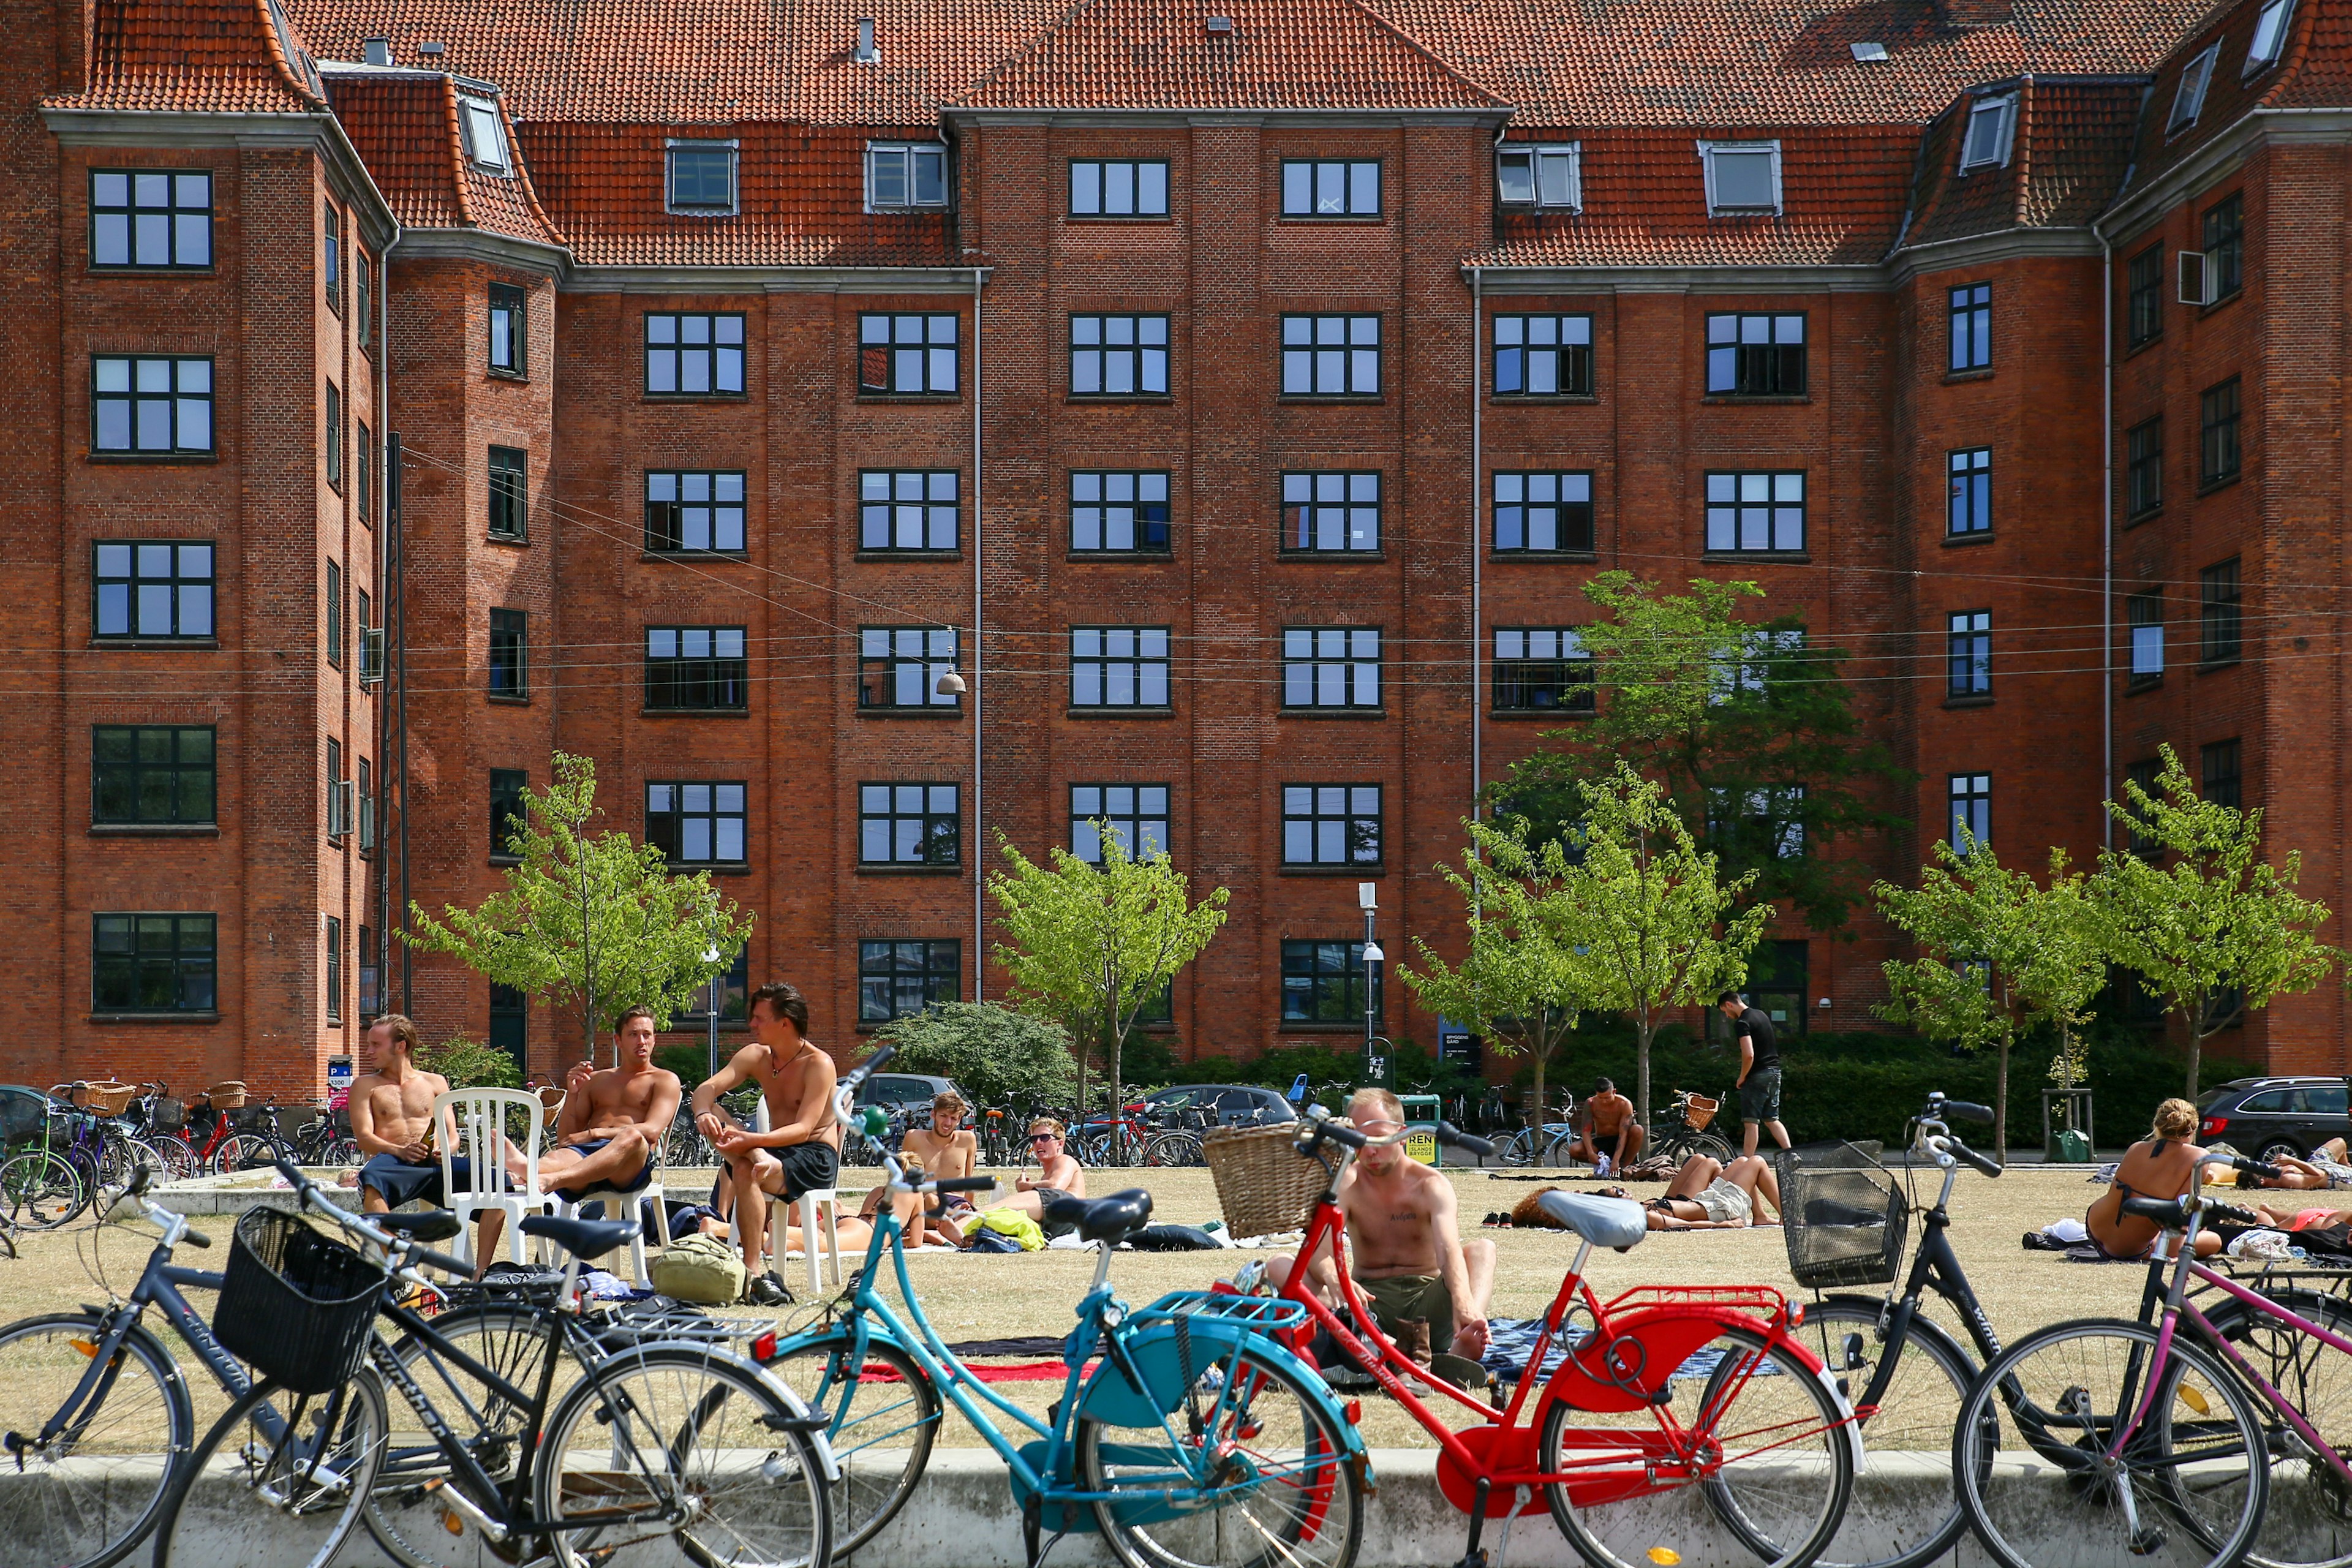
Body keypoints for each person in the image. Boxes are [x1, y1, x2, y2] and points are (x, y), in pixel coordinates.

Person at [1267, 1088, 1495, 1373]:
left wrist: (1463, 1302)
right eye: (1360, 1140)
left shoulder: (1430, 1185)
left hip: (1427, 1308)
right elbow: (1318, 1248)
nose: (1370, 1150)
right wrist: (1337, 1280)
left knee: (1483, 1250)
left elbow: (1448, 1252)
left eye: (1379, 1138)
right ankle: (1394, 1350)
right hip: (1365, 1311)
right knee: (1279, 1265)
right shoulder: (1346, 1182)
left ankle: (1464, 1338)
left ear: (1402, 1134)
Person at [689, 981, 842, 1305]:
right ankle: (752, 1273)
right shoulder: (756, 1056)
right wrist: (703, 1113)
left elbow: (803, 1129)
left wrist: (751, 1139)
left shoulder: (818, 1064)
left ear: (784, 1022)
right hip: (769, 1151)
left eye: (760, 1018)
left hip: (813, 1156)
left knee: (747, 1166)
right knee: (739, 1154)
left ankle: (751, 1270)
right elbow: (705, 1089)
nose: (752, 1024)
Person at [521, 1006, 680, 1256]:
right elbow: (566, 1138)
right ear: (618, 1040)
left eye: (647, 1034)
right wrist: (573, 1094)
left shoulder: (663, 1079)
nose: (642, 1041)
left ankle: (553, 1180)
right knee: (557, 1157)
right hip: (589, 1159)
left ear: (654, 1039)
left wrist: (594, 1134)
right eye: (633, 1034)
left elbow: (651, 1130)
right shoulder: (597, 1080)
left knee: (632, 1135)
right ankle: (519, 1171)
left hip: (630, 1163)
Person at [2086, 1099, 2225, 1260]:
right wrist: (2174, 1255)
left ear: (2156, 1125)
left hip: (2095, 1228)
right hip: (2131, 1249)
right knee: (2214, 1240)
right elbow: (2182, 1214)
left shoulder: (2136, 1148)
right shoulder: (2199, 1158)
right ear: (2193, 1129)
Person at [350, 1014, 455, 1213]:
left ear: (400, 1047)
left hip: (434, 1164)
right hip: (391, 1162)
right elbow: (364, 1139)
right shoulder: (364, 1086)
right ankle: (390, 1245)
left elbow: (453, 1134)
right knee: (370, 1181)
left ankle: (485, 1247)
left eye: (375, 1045)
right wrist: (400, 1151)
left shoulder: (435, 1082)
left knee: (497, 1181)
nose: (368, 1052)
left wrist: (446, 1150)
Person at [966, 1117, 1085, 1238]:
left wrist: (1026, 1186)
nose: (1038, 1143)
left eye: (1045, 1138)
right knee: (1002, 1218)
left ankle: (968, 1222)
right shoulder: (1047, 1175)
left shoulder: (1065, 1160)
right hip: (1058, 1223)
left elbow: (1055, 1187)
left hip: (1070, 1219)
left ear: (1060, 1144)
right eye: (1034, 1139)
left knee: (994, 1210)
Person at [1618, 1152, 1783, 1229]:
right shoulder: (1644, 1216)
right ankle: (1787, 1218)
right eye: (1618, 1192)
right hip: (1720, 1210)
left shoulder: (1642, 1207)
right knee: (1758, 1162)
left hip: (1706, 1202)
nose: (1622, 1189)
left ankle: (1760, 1216)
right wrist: (1725, 1224)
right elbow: (1684, 1225)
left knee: (1741, 1161)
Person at [1718, 990, 1791, 1156]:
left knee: (1751, 1122)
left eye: (1725, 1012)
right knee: (1772, 1119)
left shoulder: (1742, 1022)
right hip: (1775, 1072)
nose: (1728, 1016)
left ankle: (1747, 1163)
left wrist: (1743, 1076)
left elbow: (1749, 1054)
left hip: (1758, 1075)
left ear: (1729, 1005)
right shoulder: (1761, 1015)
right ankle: (1791, 1155)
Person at [1566, 1078, 1644, 1175]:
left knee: (1638, 1129)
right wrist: (1590, 1153)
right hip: (1602, 1140)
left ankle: (1625, 1168)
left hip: (1620, 1139)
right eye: (1600, 1098)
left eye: (1607, 1098)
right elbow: (1586, 1130)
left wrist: (1616, 1160)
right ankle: (1603, 1163)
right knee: (1574, 1150)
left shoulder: (1624, 1104)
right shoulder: (1590, 1103)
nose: (1604, 1102)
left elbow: (1623, 1134)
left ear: (1614, 1092)